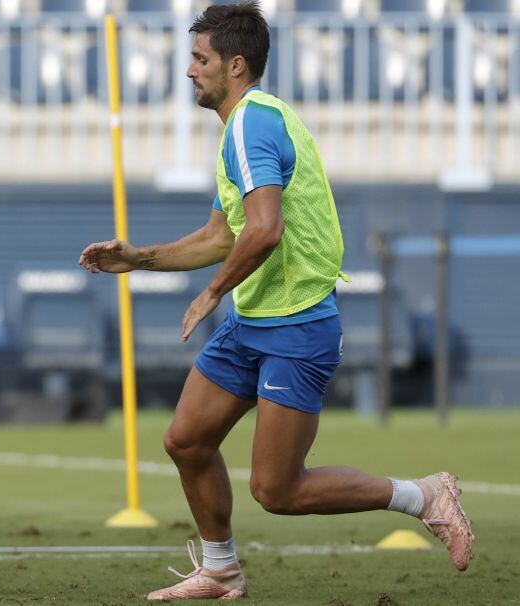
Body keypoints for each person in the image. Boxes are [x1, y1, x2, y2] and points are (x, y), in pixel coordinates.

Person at [79, 2, 473, 600]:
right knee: (186, 440)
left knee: (277, 490)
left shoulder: (252, 125)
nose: (189, 71)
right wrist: (139, 258)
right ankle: (220, 570)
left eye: (200, 59)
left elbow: (266, 230)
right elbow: (223, 234)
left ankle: (423, 495)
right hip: (254, 319)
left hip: (296, 326)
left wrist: (212, 291)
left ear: (235, 66)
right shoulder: (241, 128)